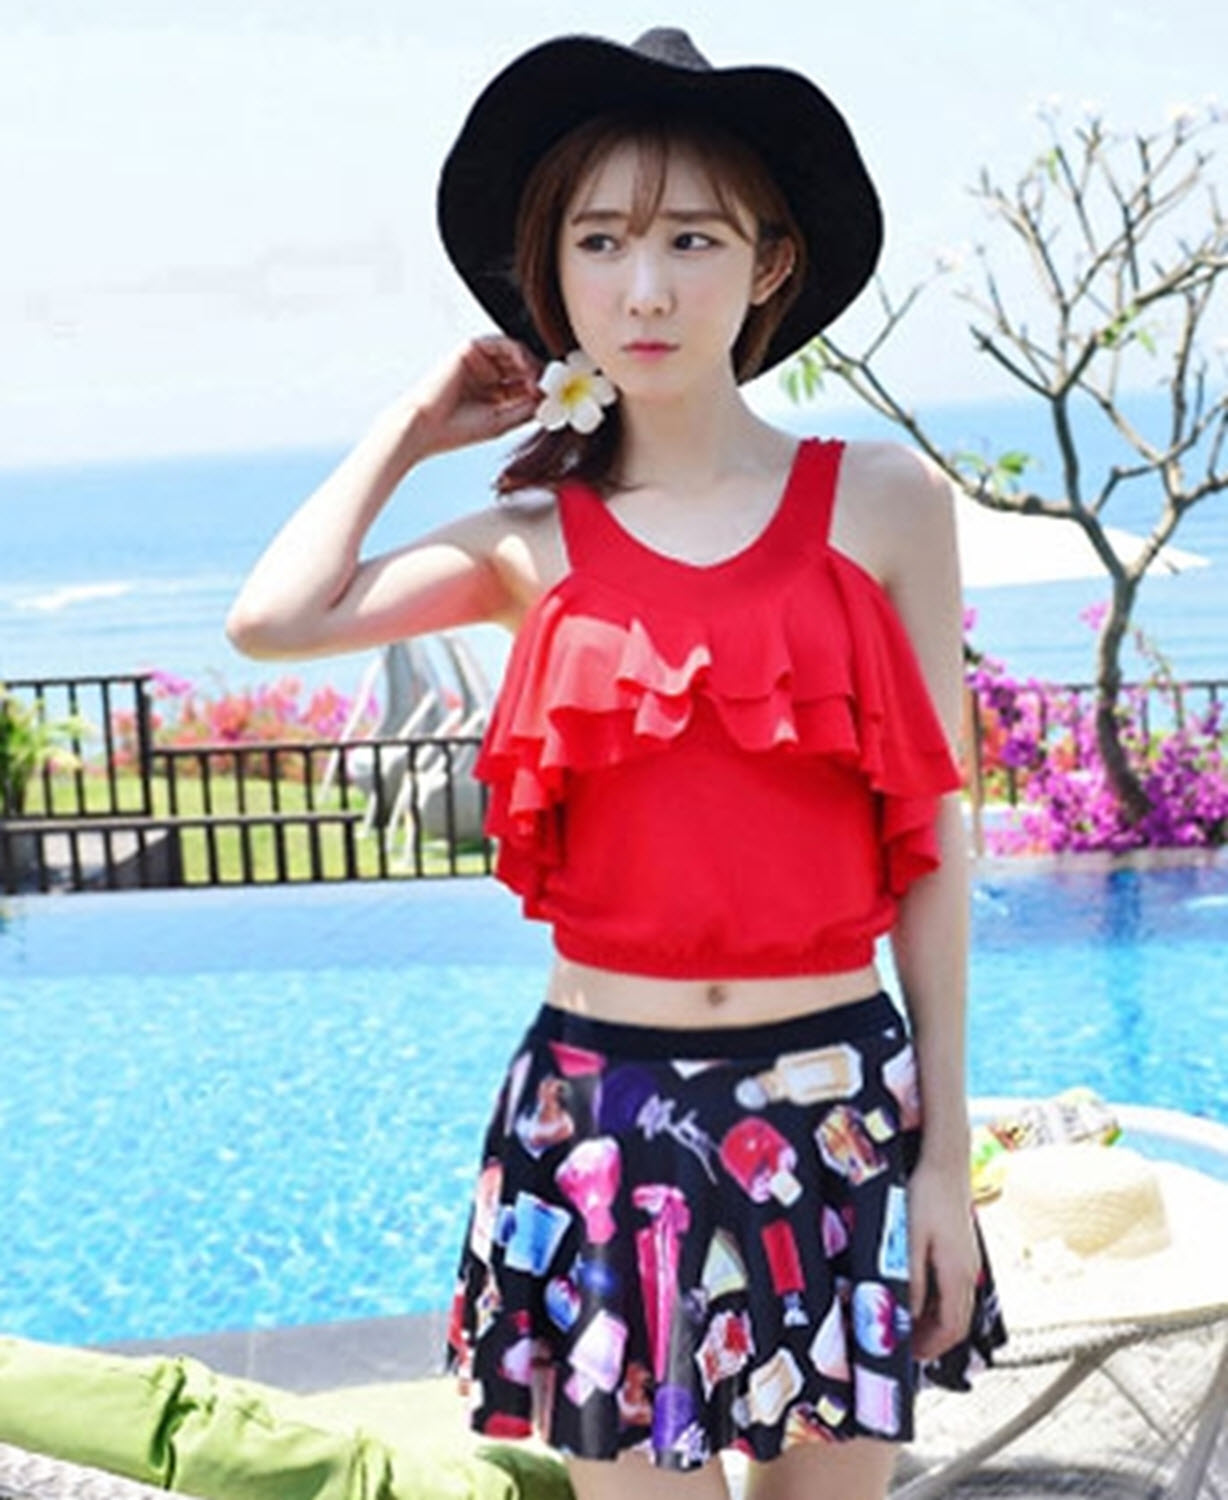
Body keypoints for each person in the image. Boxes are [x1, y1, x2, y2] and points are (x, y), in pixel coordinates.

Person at [227, 26, 1008, 1500]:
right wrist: (410, 429)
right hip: (601, 1122)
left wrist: (944, 1157)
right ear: (554, 274)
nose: (645, 288)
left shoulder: (885, 502)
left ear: (772, 265)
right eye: (600, 241)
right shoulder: (532, 542)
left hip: (837, 1108)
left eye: (692, 239)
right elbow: (274, 620)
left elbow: (935, 837)